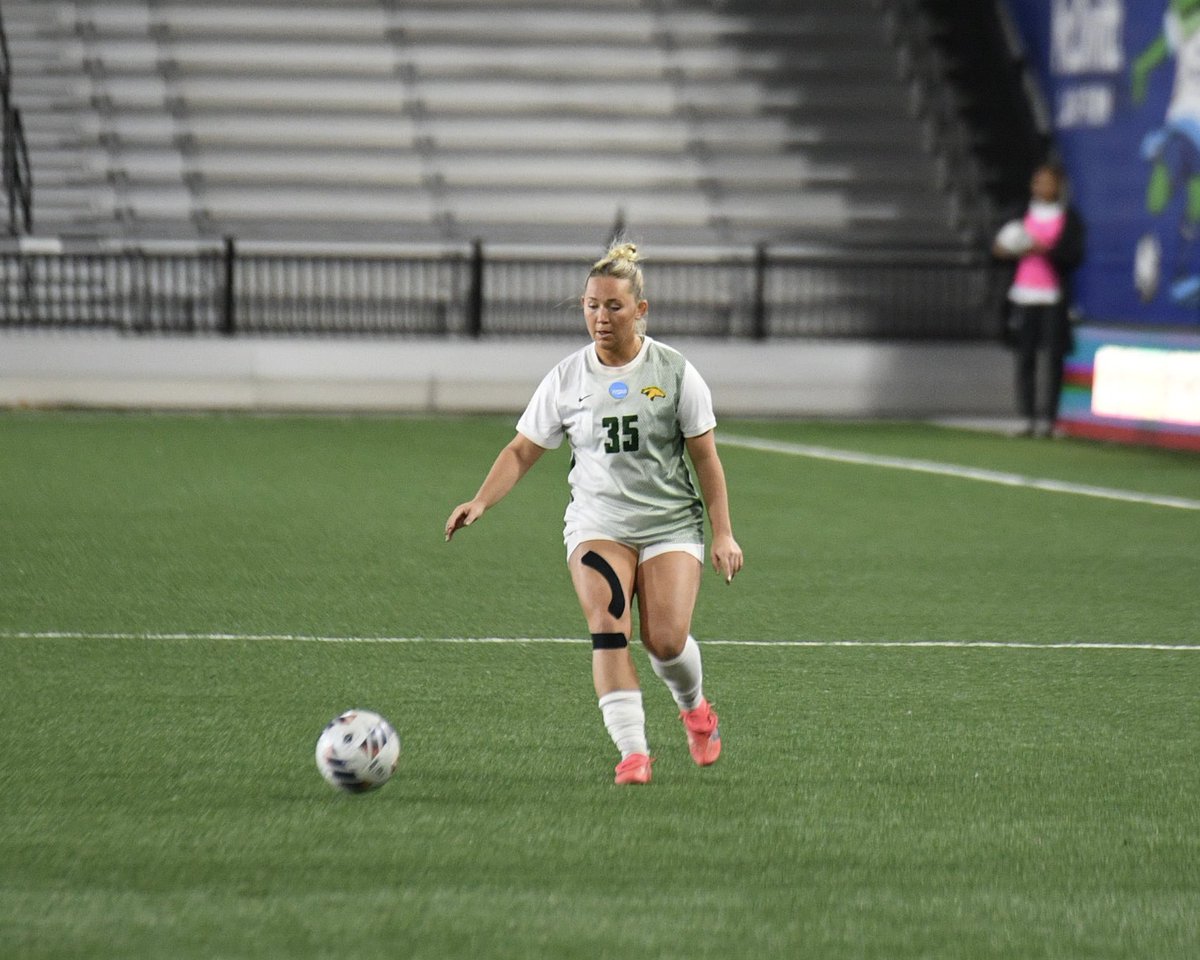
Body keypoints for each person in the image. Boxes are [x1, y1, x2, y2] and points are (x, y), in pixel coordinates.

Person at [444, 242, 744, 786]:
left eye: (614, 306)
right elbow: (521, 449)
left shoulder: (675, 372)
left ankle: (695, 709)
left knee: (666, 640)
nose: (600, 318)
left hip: (669, 523)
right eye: (590, 306)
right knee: (608, 626)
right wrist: (480, 499)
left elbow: (707, 460)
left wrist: (722, 533)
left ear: (641, 310)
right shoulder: (566, 377)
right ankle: (633, 753)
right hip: (597, 524)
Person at [992, 162, 1086, 438]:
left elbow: (1073, 256)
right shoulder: (1021, 214)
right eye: (1037, 182)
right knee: (1025, 357)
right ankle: (1026, 417)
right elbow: (998, 248)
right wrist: (1005, 250)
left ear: (1058, 186)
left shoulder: (1069, 219)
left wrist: (1043, 249)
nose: (1040, 187)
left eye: (1046, 182)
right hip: (1024, 295)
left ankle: (1050, 419)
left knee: (1053, 357)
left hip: (1053, 297)